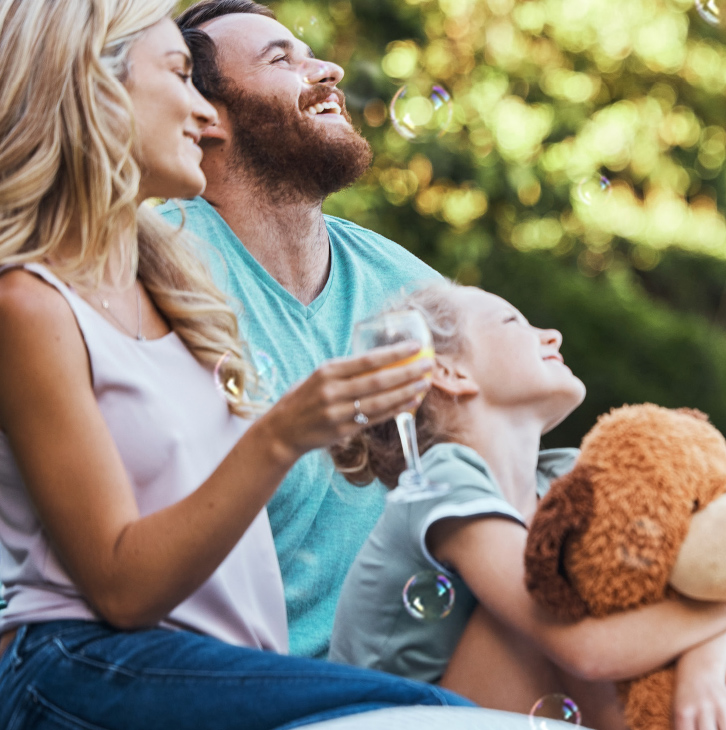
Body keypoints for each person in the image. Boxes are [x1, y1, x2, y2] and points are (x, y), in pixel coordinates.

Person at [0, 0, 468, 725]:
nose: (199, 110)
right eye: (180, 76)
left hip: (225, 664)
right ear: (96, 87)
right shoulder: (28, 304)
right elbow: (120, 589)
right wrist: (285, 433)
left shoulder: (168, 281)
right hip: (84, 665)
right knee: (435, 715)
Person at [327, 283, 726, 730]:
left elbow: (699, 597)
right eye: (512, 321)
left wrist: (703, 672)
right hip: (393, 724)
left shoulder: (568, 483)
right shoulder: (440, 481)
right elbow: (587, 652)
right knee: (540, 606)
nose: (552, 335)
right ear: (449, 372)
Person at [164, 0, 442, 659]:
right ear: (209, 117)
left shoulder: (400, 282)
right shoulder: (158, 262)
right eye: (280, 58)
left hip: (403, 674)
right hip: (232, 674)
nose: (330, 69)